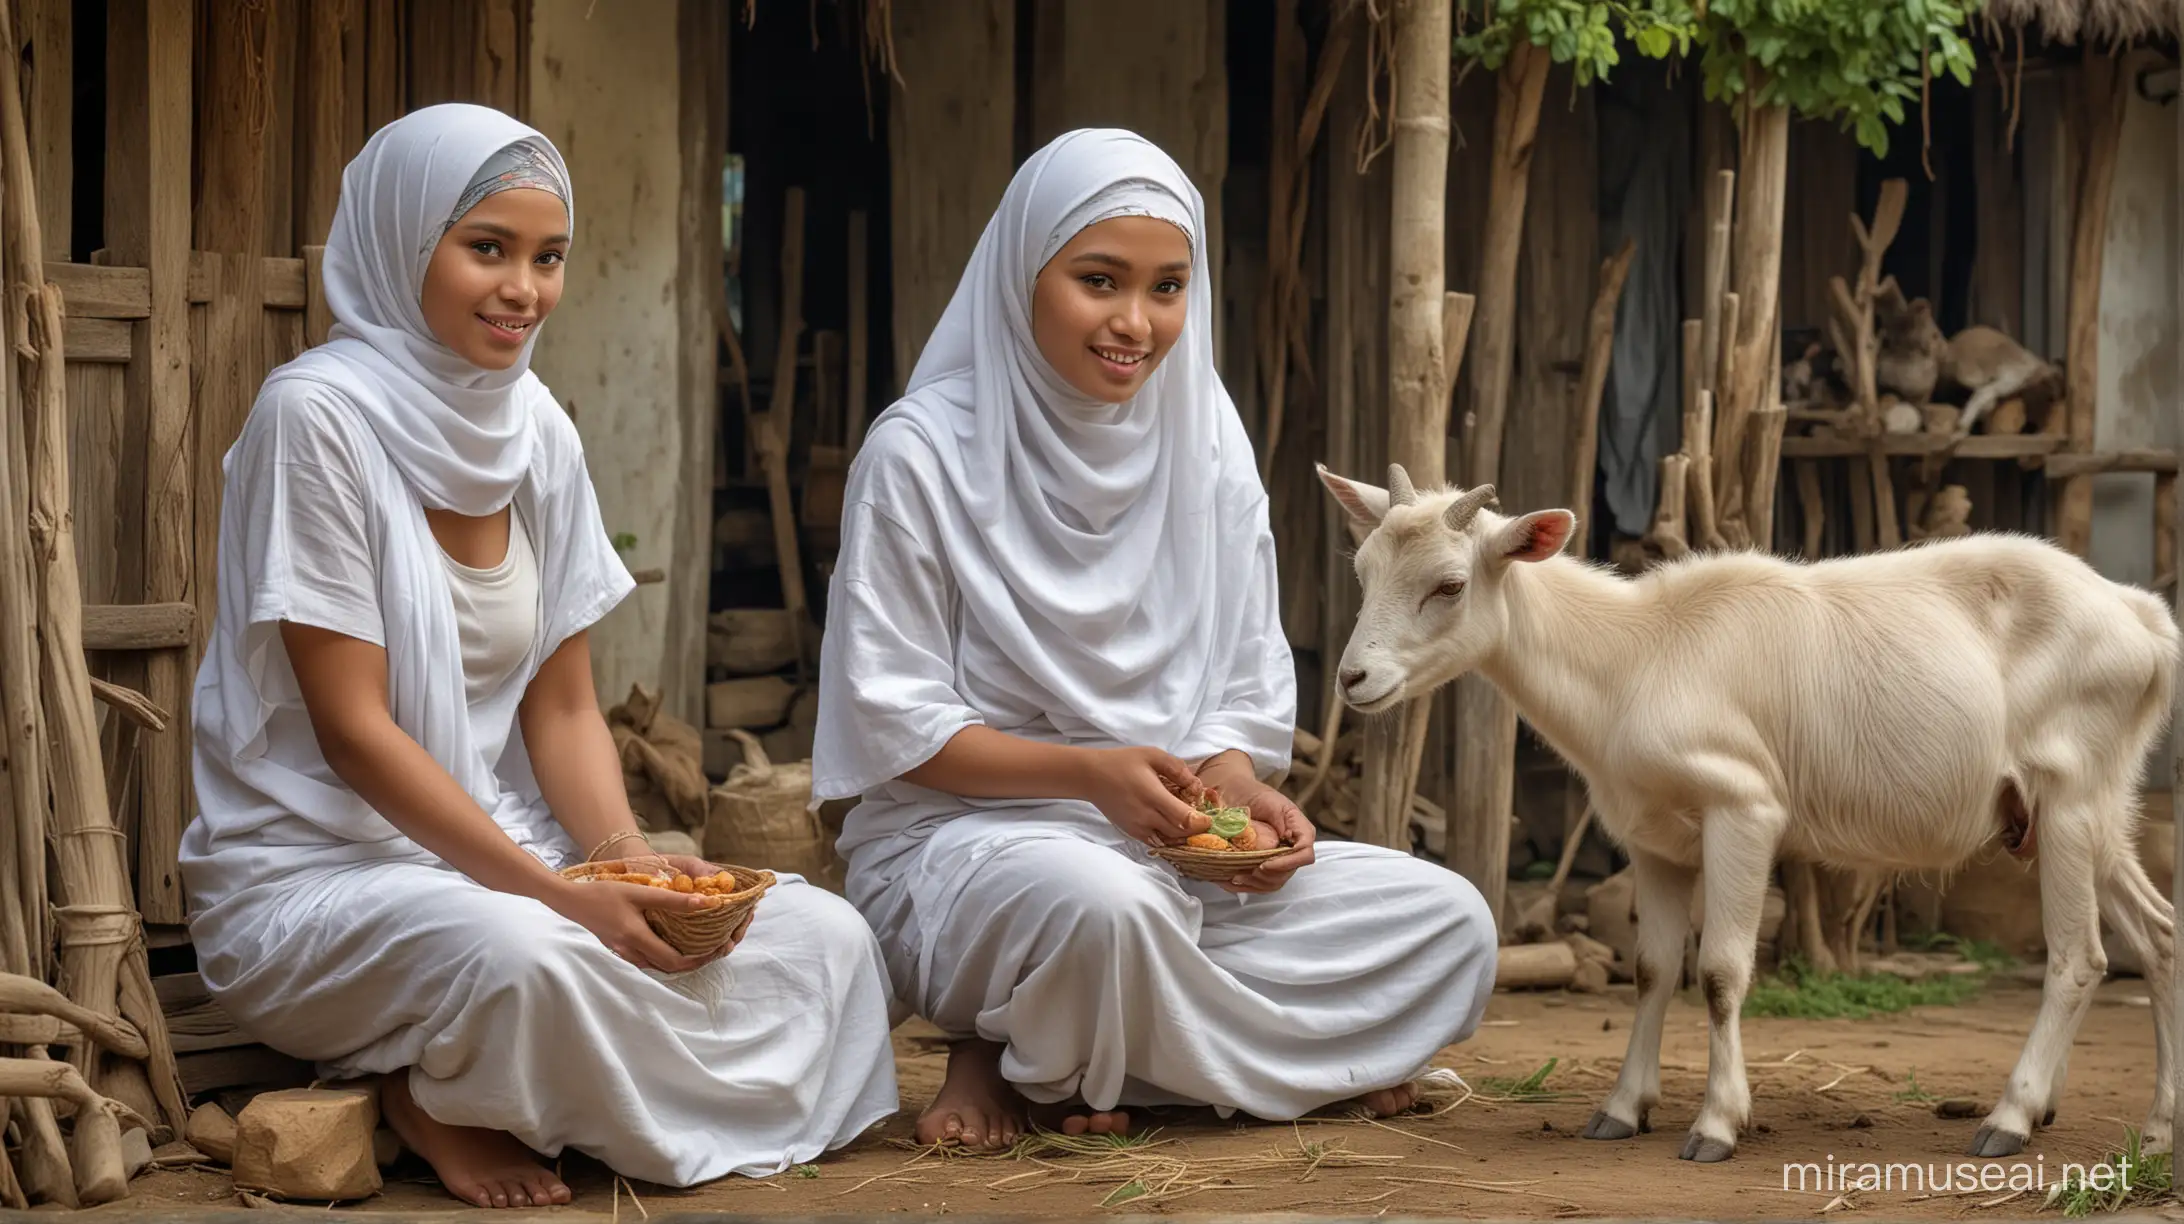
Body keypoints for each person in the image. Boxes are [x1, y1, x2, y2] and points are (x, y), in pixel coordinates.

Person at [179, 103, 898, 1209]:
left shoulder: (536, 431)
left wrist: (623, 855)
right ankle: (430, 1097)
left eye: (548, 257)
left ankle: (500, 1087)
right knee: (535, 961)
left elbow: (562, 711)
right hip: (318, 880)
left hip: (513, 857)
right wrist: (565, 900)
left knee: (824, 939)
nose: (525, 289)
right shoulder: (315, 420)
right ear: (404, 245)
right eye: (488, 250)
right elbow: (356, 736)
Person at [812, 127, 1498, 1150]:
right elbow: (894, 723)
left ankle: (1069, 1063)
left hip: (1171, 858)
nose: (1136, 322)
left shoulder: (1206, 436)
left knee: (1449, 924)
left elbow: (1233, 690)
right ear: (1023, 276)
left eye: (1168, 287)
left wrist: (1245, 795)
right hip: (971, 852)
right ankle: (1022, 1045)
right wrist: (1090, 779)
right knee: (1100, 908)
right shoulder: (920, 456)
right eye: (1099, 280)